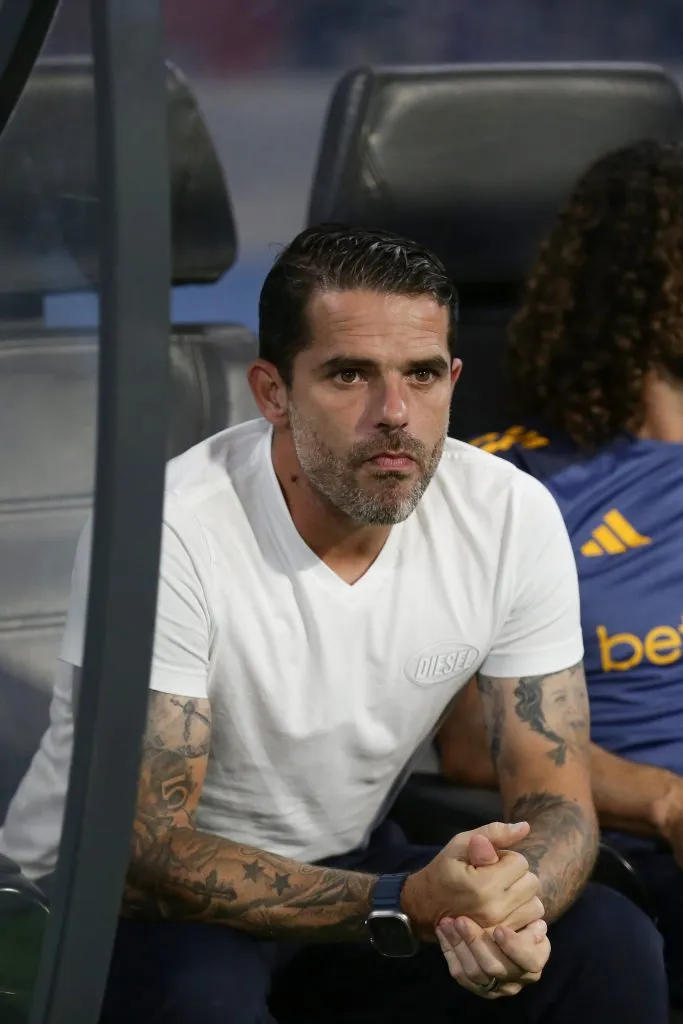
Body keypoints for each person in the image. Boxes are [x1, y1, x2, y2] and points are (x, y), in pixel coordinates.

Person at [0, 225, 668, 1022]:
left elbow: (553, 796)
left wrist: (510, 907)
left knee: (605, 940)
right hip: (102, 903)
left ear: (452, 378)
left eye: (422, 376)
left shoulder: (508, 513)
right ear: (272, 392)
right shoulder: (167, 530)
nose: (395, 413)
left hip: (349, 870)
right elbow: (145, 850)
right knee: (199, 999)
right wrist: (398, 901)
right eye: (349, 375)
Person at [438, 140, 683, 999]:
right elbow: (471, 745)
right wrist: (662, 800)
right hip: (635, 850)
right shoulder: (513, 485)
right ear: (649, 283)